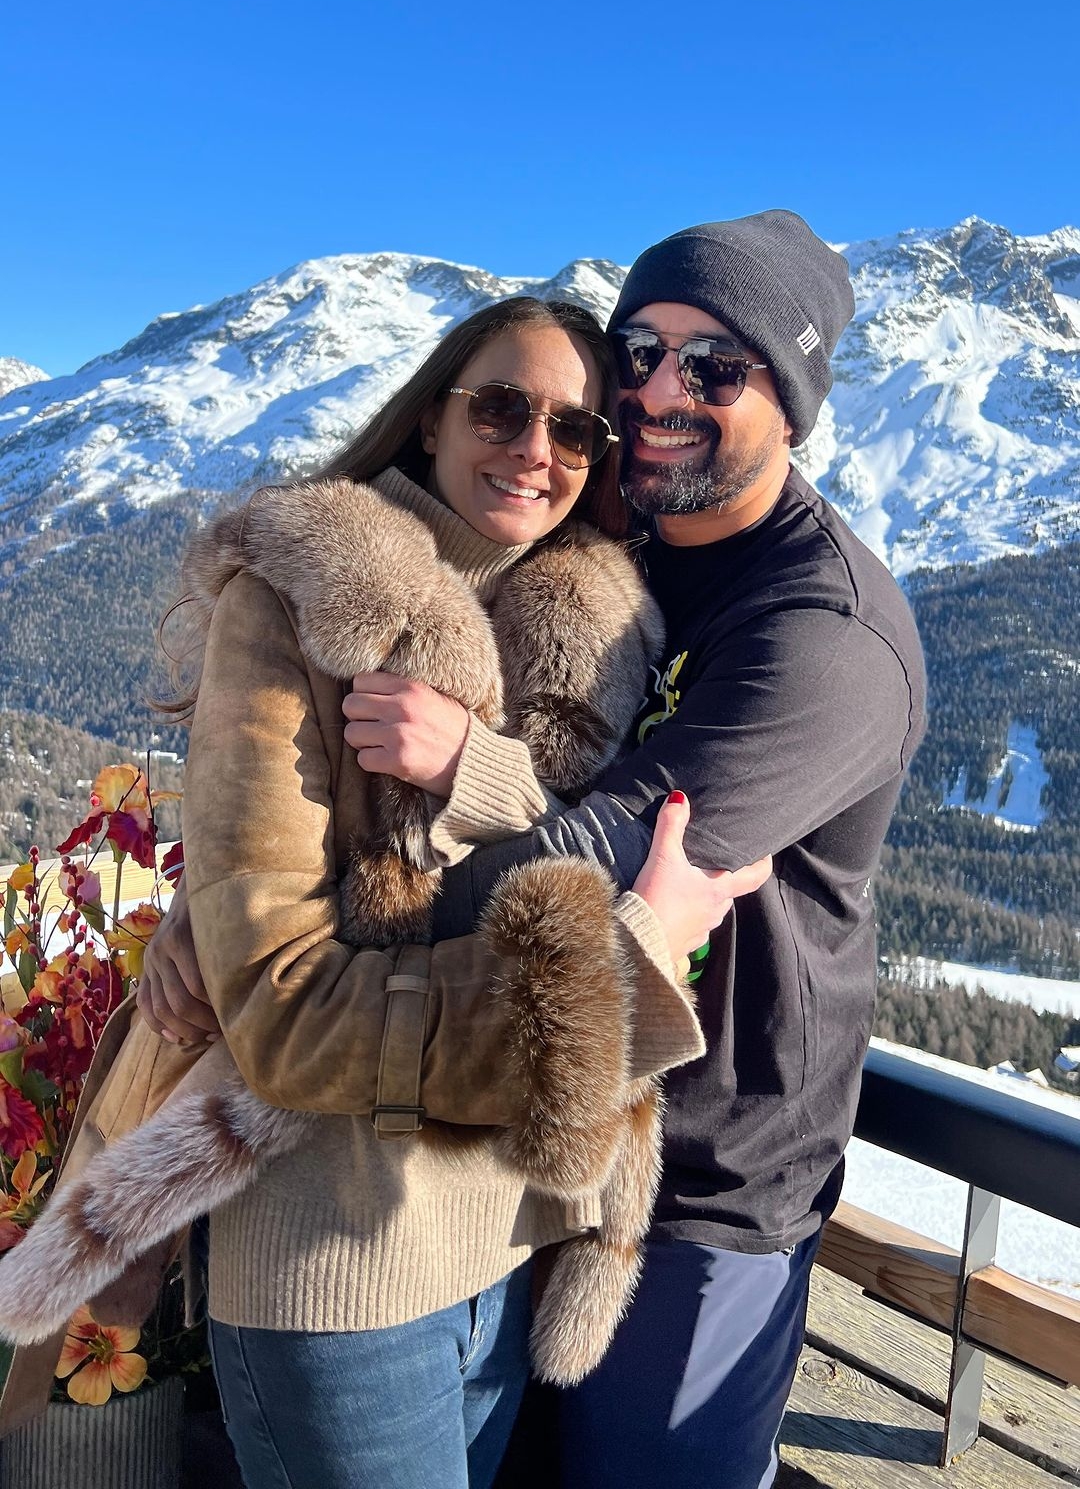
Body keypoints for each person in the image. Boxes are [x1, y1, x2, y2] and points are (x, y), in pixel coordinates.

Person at [132, 210, 926, 1486]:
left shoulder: (824, 637)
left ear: (794, 403)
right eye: (641, 353)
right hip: (518, 1155)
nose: (661, 391)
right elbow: (326, 771)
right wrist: (237, 893)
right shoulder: (613, 533)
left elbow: (600, 855)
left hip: (699, 1187)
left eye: (715, 366)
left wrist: (275, 930)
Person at [0, 295, 768, 1489]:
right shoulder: (298, 603)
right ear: (430, 421)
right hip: (336, 1266)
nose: (536, 450)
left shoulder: (600, 636)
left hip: (505, 1245)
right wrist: (599, 987)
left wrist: (483, 776)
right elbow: (283, 1010)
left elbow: (561, 852)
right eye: (502, 409)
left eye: (576, 430)